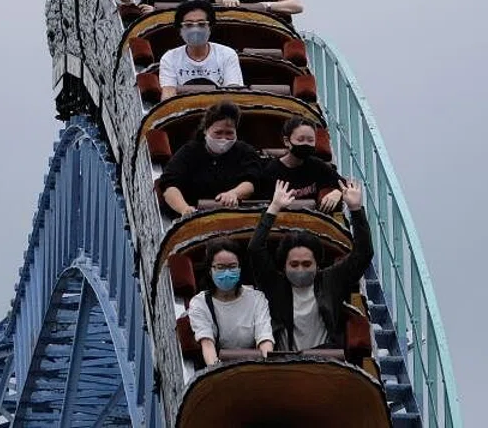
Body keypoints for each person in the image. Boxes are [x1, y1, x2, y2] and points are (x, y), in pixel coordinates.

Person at [248, 179, 374, 351]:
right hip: (285, 360)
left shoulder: (331, 281)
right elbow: (255, 249)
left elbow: (363, 253)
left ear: (317, 264)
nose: (300, 269)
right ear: (284, 266)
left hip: (324, 360)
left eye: (307, 264)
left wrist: (356, 210)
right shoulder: (275, 285)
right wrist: (274, 208)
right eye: (294, 264)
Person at [158, 101, 262, 216]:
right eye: (218, 133)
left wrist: (234, 194)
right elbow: (169, 186)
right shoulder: (189, 151)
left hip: (234, 216)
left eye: (229, 133)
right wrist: (184, 209)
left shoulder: (246, 151)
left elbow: (251, 182)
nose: (223, 138)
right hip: (192, 216)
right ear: (206, 130)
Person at [187, 237, 275, 366]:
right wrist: (215, 369)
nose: (227, 273)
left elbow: (265, 339)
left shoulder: (257, 298)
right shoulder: (200, 303)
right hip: (219, 368)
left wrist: (267, 365)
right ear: (210, 270)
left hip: (254, 366)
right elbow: (207, 344)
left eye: (232, 267)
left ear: (239, 268)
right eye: (220, 267)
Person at [158, 0, 243, 99]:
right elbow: (168, 95)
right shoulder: (169, 58)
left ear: (210, 27)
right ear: (180, 30)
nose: (195, 30)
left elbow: (233, 95)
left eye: (201, 24)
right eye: (189, 25)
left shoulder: (227, 54)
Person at [264, 117, 343, 212]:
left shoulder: (317, 165)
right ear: (287, 141)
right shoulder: (272, 170)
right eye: (300, 140)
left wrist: (337, 192)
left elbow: (345, 184)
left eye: (310, 140)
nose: (306, 144)